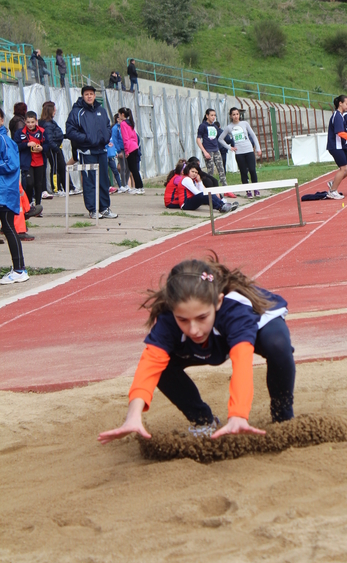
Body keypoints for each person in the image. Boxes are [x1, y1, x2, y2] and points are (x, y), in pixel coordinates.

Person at [98, 255, 295, 443]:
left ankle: (283, 417)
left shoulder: (235, 311)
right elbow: (150, 364)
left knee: (277, 344)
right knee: (162, 365)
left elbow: (242, 363)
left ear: (217, 302)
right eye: (183, 319)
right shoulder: (168, 321)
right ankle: (203, 421)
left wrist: (238, 415)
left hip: (253, 326)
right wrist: (133, 416)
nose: (193, 329)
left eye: (201, 317)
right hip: (212, 338)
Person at [65, 85, 118, 220]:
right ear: (83, 96)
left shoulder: (101, 110)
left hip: (102, 150)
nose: (89, 96)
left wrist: (105, 137)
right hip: (87, 152)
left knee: (104, 180)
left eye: (91, 94)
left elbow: (107, 125)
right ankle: (93, 209)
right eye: (86, 94)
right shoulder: (77, 112)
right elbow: (70, 131)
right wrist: (86, 139)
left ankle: (105, 208)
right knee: (90, 181)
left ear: (95, 96)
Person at [0, 107, 28, 284]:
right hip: (4, 190)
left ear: (1, 120)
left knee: (9, 227)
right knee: (8, 227)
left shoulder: (4, 139)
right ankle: (18, 268)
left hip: (4, 191)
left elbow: (11, 164)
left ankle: (19, 269)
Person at [39, 101, 81, 197]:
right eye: (54, 109)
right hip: (53, 149)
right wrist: (55, 148)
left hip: (57, 147)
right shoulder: (47, 124)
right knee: (55, 168)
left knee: (62, 168)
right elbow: (49, 139)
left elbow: (55, 135)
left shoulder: (51, 122)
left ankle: (68, 187)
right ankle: (56, 189)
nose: (55, 111)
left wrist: (66, 136)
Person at [218, 108, 262, 198]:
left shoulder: (245, 124)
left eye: (237, 114)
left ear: (239, 115)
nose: (236, 116)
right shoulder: (229, 127)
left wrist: (258, 148)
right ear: (231, 116)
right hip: (239, 152)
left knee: (252, 170)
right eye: (233, 114)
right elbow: (220, 139)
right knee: (243, 172)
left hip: (249, 150)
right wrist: (230, 147)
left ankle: (256, 189)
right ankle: (248, 191)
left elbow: (253, 135)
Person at [169, 162, 237, 213]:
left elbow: (202, 190)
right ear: (187, 171)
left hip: (191, 201)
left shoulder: (193, 179)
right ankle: (220, 207)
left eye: (196, 172)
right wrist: (205, 194)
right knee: (204, 195)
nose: (194, 174)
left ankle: (223, 204)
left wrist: (199, 181)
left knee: (208, 193)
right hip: (185, 204)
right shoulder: (186, 179)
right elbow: (197, 193)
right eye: (192, 171)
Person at [13, 110, 47, 207]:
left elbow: (48, 145)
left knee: (38, 184)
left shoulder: (42, 131)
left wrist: (42, 148)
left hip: (39, 162)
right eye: (28, 122)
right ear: (24, 121)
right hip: (27, 162)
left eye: (32, 122)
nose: (30, 124)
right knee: (29, 183)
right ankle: (28, 204)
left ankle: (38, 205)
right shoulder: (20, 132)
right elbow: (16, 146)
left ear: (36, 121)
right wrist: (27, 144)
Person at [326, 95, 347, 200]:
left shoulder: (342, 115)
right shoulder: (337, 116)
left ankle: (333, 183)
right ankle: (332, 191)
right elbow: (340, 133)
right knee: (343, 168)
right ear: (340, 103)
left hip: (343, 146)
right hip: (336, 146)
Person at [197, 109, 230, 188]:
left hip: (216, 149)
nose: (213, 117)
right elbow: (198, 139)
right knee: (210, 170)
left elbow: (220, 138)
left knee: (221, 168)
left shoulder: (215, 126)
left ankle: (225, 187)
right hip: (208, 150)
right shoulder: (203, 126)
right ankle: (210, 187)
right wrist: (204, 151)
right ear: (207, 116)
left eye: (214, 115)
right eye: (211, 115)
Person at [118, 107, 144, 194]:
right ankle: (140, 186)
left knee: (132, 168)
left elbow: (125, 138)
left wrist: (126, 151)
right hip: (135, 146)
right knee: (134, 168)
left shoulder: (123, 124)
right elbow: (135, 136)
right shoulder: (130, 123)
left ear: (122, 114)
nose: (118, 116)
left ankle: (138, 187)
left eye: (119, 114)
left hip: (130, 147)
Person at [111, 114, 129, 192]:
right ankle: (123, 184)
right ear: (117, 119)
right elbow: (115, 140)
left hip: (126, 149)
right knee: (123, 167)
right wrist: (118, 151)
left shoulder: (124, 127)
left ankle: (126, 183)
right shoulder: (115, 128)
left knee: (128, 167)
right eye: (120, 119)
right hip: (120, 149)